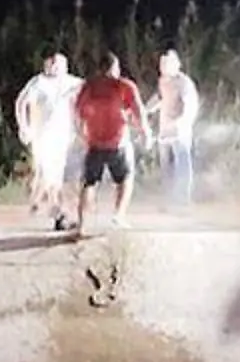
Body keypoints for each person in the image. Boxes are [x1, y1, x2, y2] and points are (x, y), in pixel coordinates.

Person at [74, 51, 152, 237]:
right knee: (126, 178)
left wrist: (81, 135)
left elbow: (78, 113)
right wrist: (145, 132)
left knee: (89, 182)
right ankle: (118, 215)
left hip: (94, 142)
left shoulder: (88, 86)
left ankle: (82, 223)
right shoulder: (124, 85)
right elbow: (139, 111)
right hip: (118, 143)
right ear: (115, 68)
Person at [15, 52, 85, 230]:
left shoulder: (70, 82)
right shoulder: (39, 82)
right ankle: (57, 212)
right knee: (49, 174)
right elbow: (21, 102)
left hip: (62, 136)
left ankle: (39, 201)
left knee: (53, 174)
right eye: (52, 63)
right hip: (43, 136)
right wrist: (24, 126)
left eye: (58, 64)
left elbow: (88, 89)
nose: (54, 67)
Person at [146, 49, 200, 206]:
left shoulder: (184, 83)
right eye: (161, 64)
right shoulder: (163, 81)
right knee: (166, 166)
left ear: (176, 64)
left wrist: (182, 122)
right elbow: (160, 98)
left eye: (166, 63)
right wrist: (146, 109)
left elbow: (191, 106)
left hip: (180, 132)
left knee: (182, 164)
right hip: (165, 130)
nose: (162, 67)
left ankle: (183, 199)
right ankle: (169, 199)